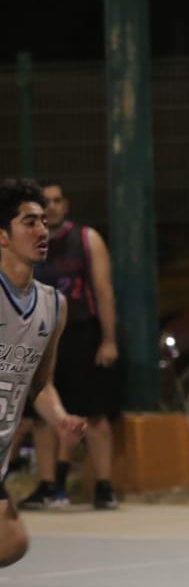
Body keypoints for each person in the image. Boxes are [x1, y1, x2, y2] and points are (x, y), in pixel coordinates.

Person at [19, 181, 121, 511]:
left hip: (80, 332)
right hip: (40, 333)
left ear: (67, 204)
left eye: (56, 200)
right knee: (40, 412)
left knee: (92, 412)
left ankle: (104, 486)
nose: (51, 207)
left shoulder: (87, 240)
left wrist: (108, 339)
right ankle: (48, 485)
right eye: (44, 203)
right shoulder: (27, 243)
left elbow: (103, 291)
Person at [0, 179, 88, 565]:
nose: (42, 230)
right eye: (29, 222)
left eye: (44, 222)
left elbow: (40, 384)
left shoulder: (54, 306)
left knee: (12, 542)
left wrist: (61, 420)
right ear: (2, 236)